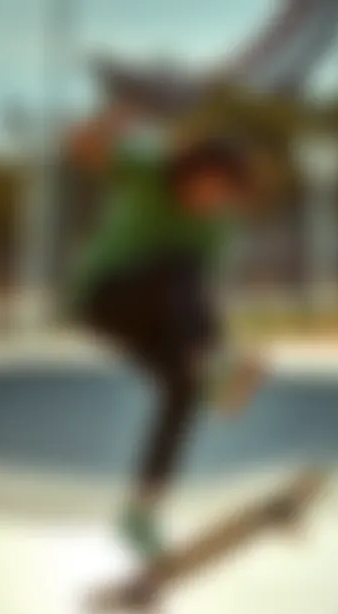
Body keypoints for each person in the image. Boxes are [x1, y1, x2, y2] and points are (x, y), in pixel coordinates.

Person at [67, 108, 264, 559]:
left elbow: (200, 303)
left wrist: (215, 351)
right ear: (186, 172)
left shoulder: (218, 225)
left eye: (223, 194)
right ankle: (217, 375)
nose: (210, 201)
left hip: (160, 318)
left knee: (182, 391)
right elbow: (80, 147)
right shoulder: (148, 169)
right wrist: (111, 117)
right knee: (180, 269)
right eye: (205, 188)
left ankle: (141, 512)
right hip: (106, 299)